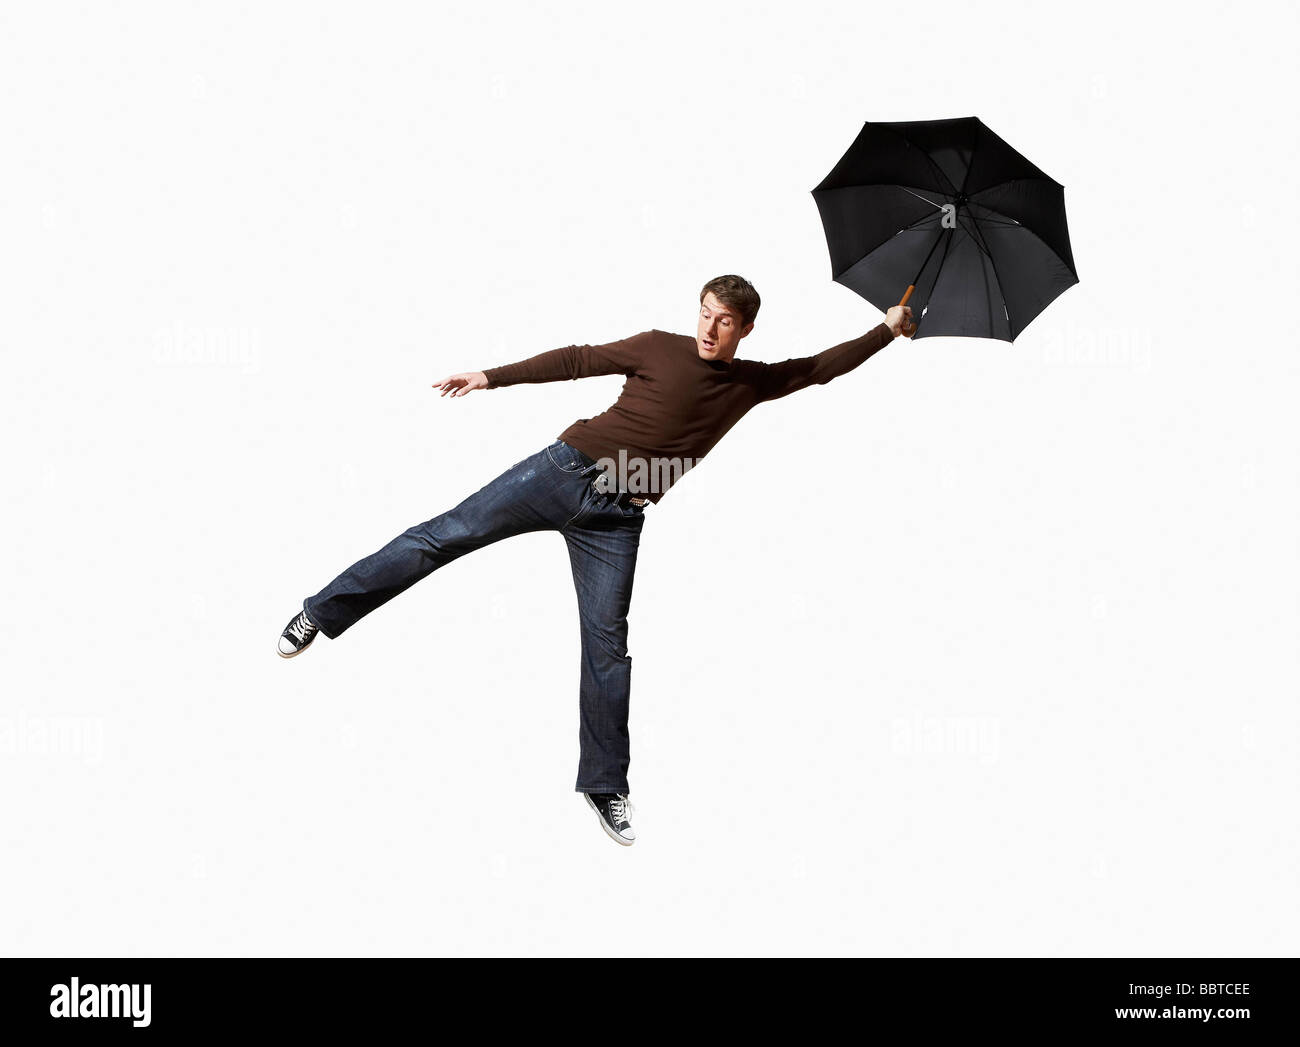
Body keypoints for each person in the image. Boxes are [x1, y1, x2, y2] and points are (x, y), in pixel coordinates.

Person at [277, 275, 912, 846]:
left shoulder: (752, 383)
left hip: (618, 519)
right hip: (561, 471)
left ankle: (605, 784)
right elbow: (578, 359)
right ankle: (319, 613)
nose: (710, 329)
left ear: (746, 329)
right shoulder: (657, 345)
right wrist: (490, 377)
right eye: (705, 313)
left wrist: (885, 330)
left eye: (725, 321)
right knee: (440, 537)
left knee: (607, 645)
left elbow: (824, 366)